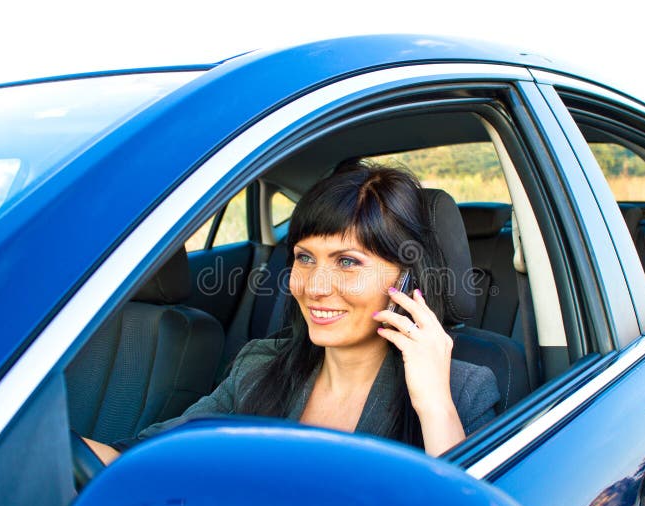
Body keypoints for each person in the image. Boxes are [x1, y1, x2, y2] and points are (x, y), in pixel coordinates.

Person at [84, 161, 500, 464]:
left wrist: (434, 405)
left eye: (347, 262)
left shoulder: (464, 391)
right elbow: (141, 460)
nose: (314, 287)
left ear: (407, 278)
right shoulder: (259, 365)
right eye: (305, 258)